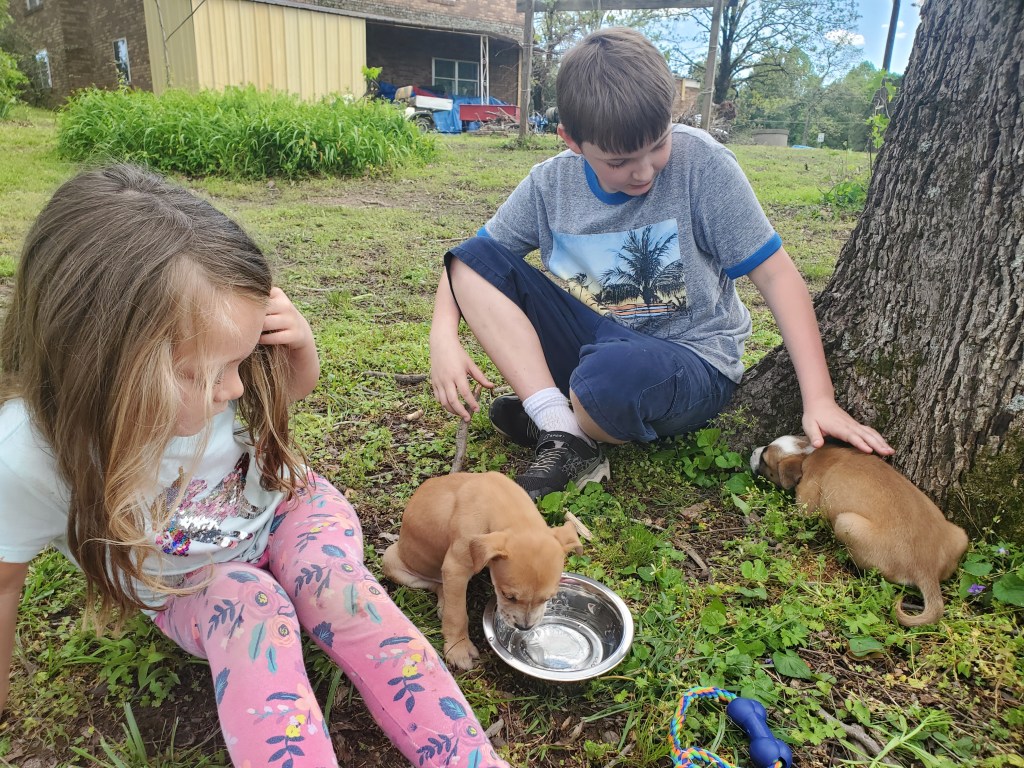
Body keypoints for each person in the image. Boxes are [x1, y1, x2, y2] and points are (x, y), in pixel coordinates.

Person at [0, 165, 509, 768]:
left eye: (241, 362)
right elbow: (5, 581)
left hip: (290, 509)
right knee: (248, 604)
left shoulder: (211, 358)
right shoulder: (29, 457)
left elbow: (285, 392)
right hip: (188, 582)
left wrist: (301, 345)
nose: (237, 388)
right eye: (209, 373)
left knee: (340, 591)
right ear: (101, 363)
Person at [429, 27, 893, 500]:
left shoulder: (702, 166)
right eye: (620, 161)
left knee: (608, 381)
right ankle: (563, 428)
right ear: (571, 141)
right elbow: (469, 260)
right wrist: (443, 335)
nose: (645, 170)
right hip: (595, 345)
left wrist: (820, 398)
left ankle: (561, 411)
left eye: (658, 144)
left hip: (689, 360)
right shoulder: (549, 185)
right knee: (475, 259)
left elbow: (776, 275)